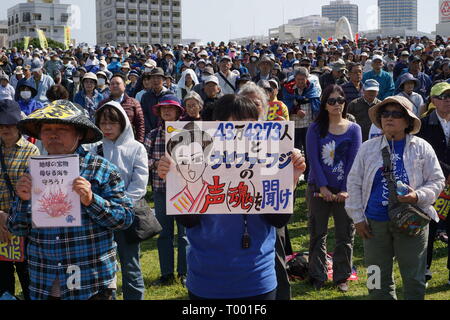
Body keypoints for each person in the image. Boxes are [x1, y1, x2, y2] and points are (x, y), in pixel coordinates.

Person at [157, 94, 306, 300]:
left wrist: (291, 179)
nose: (241, 132)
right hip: (206, 280)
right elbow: (188, 221)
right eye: (232, 124)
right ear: (216, 127)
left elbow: (278, 219)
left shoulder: (268, 162)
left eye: (249, 124)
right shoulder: (197, 159)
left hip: (257, 279)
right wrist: (175, 179)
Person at [5, 100, 134, 300]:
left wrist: (92, 201)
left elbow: (124, 219)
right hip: (45, 282)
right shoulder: (32, 172)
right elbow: (16, 228)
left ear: (79, 134)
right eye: (47, 129)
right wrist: (22, 201)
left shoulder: (102, 169)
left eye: (62, 129)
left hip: (93, 283)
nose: (53, 135)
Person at [346, 96, 445, 300]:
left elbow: (437, 181)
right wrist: (357, 218)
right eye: (385, 114)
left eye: (397, 114)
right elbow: (354, 183)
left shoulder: (421, 147)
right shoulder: (367, 148)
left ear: (408, 121)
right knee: (375, 276)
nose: (389, 118)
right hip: (374, 224)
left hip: (412, 222)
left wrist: (417, 196)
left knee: (415, 278)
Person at [306, 85, 362, 292]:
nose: (337, 104)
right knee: (317, 233)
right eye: (331, 100)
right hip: (318, 187)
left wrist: (345, 189)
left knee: (345, 235)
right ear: (324, 104)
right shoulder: (315, 128)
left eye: (340, 100)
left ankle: (342, 276)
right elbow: (313, 159)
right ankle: (317, 274)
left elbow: (353, 161)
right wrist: (323, 187)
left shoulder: (354, 129)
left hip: (345, 190)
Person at [92, 101, 148, 300]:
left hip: (126, 217)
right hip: (99, 217)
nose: (107, 128)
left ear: (123, 123)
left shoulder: (136, 148)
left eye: (112, 123)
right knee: (102, 267)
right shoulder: (95, 149)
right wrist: (101, 207)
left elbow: (139, 185)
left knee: (130, 265)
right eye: (103, 123)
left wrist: (120, 207)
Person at [144, 94, 188, 286]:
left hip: (184, 189)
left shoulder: (188, 133)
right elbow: (143, 161)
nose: (167, 111)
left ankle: (184, 273)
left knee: (185, 234)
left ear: (178, 112)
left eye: (171, 108)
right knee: (164, 233)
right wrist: (157, 164)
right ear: (160, 112)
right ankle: (167, 273)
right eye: (164, 109)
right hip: (161, 190)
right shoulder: (152, 135)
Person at [0, 100, 40, 300]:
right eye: (1, 124)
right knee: (2, 282)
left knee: (28, 278)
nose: (5, 128)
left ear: (19, 125)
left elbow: (35, 191)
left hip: (24, 227)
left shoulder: (31, 151)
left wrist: (11, 219)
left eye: (9, 124)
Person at [417, 82, 450, 286]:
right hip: (433, 183)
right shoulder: (424, 124)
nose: (447, 100)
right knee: (428, 227)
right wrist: (445, 173)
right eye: (442, 96)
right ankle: (425, 270)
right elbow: (424, 154)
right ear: (433, 100)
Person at [99, 74, 145, 143]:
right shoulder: (103, 104)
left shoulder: (134, 103)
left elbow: (140, 125)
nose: (114, 86)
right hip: (108, 144)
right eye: (112, 84)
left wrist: (139, 143)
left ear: (124, 86)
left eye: (117, 83)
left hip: (128, 143)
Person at [141, 67, 173, 135]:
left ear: (163, 79)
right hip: (149, 133)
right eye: (153, 78)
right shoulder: (145, 96)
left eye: (158, 78)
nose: (155, 80)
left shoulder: (170, 96)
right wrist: (150, 130)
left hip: (166, 132)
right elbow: (144, 114)